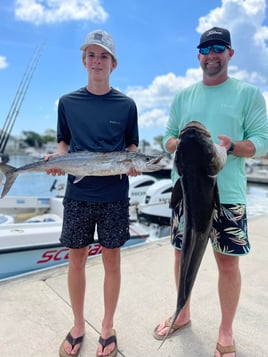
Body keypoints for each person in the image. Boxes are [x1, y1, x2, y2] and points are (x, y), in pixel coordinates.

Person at [153, 27, 268, 357]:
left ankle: (226, 330)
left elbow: (262, 142)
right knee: (181, 254)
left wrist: (232, 146)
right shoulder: (183, 96)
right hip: (185, 193)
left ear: (230, 53)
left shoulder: (248, 94)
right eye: (205, 48)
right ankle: (182, 313)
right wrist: (175, 143)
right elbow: (168, 138)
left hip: (227, 194)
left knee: (227, 265)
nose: (211, 53)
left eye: (219, 47)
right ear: (198, 55)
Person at [46, 29, 139, 357]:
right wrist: (59, 159)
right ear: (84, 60)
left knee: (112, 260)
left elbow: (132, 144)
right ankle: (78, 324)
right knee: (76, 259)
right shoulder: (67, 102)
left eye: (103, 56)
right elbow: (63, 142)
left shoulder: (127, 104)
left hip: (114, 195)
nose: (97, 61)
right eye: (91, 55)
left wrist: (133, 161)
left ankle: (108, 325)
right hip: (77, 193)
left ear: (113, 63)